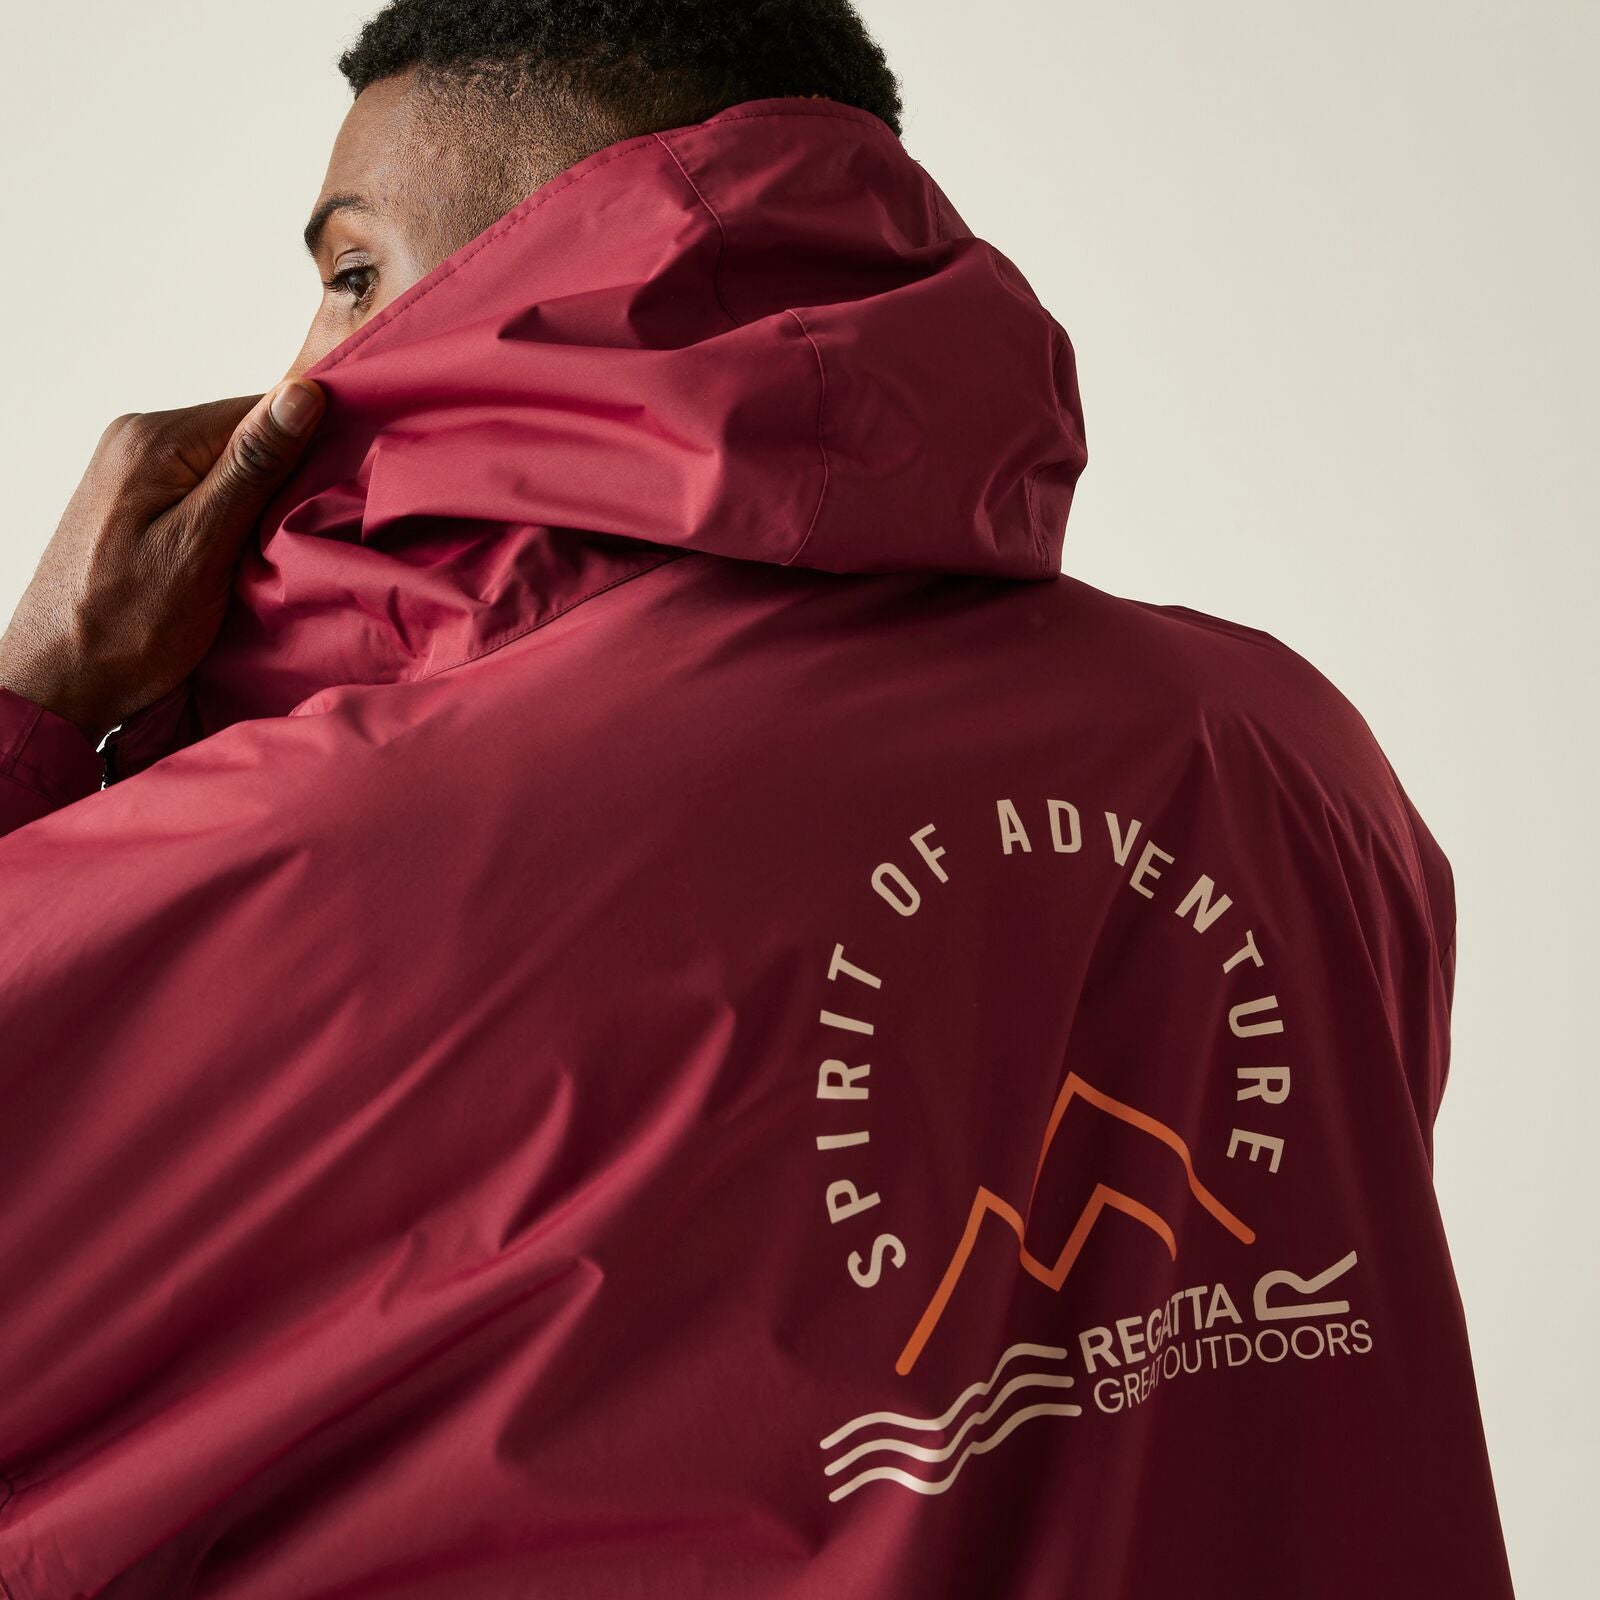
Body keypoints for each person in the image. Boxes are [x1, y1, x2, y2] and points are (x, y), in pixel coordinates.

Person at [0, 3, 1515, 1596]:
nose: (299, 374)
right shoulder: (1286, 756)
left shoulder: (345, 847)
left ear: (556, 274)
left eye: (355, 274)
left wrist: (41, 699)